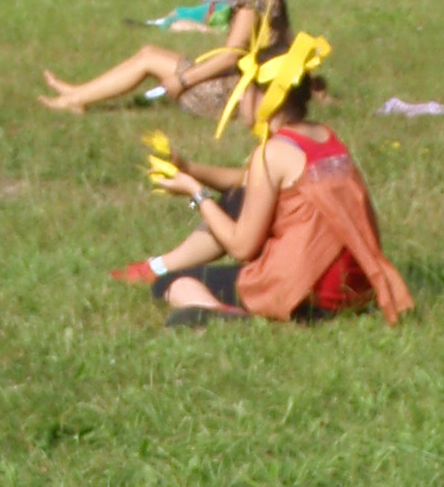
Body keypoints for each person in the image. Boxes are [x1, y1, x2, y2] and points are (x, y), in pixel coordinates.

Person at [113, 32, 413, 330]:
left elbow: (241, 248)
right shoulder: (323, 137)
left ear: (266, 95)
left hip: (308, 294)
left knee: (172, 284)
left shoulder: (271, 154)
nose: (239, 99)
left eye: (244, 90)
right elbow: (248, 184)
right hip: (357, 289)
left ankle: (223, 313)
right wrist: (189, 168)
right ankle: (162, 266)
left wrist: (196, 193)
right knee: (237, 198)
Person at [40, 0, 288, 119]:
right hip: (243, 87)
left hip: (228, 94)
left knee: (149, 59)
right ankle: (78, 93)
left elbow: (229, 57)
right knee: (148, 52)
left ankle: (75, 99)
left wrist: (183, 80)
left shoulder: (252, 2)